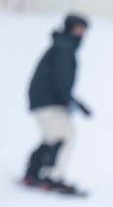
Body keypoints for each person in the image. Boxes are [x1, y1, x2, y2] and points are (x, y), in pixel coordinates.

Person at [22, 13, 92, 196]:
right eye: (78, 28)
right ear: (69, 27)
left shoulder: (62, 45)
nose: (81, 33)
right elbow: (61, 78)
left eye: (84, 29)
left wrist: (71, 100)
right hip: (49, 100)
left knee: (52, 137)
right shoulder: (64, 48)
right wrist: (70, 100)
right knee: (66, 136)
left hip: (45, 99)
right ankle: (53, 177)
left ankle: (33, 172)